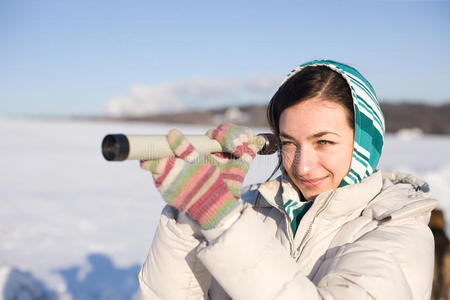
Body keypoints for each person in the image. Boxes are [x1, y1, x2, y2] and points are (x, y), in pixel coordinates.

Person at [138, 59, 438, 299]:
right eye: (290, 143)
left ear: (363, 143)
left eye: (324, 142)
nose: (303, 167)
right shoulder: (253, 213)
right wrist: (190, 218)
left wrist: (224, 222)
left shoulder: (398, 234)